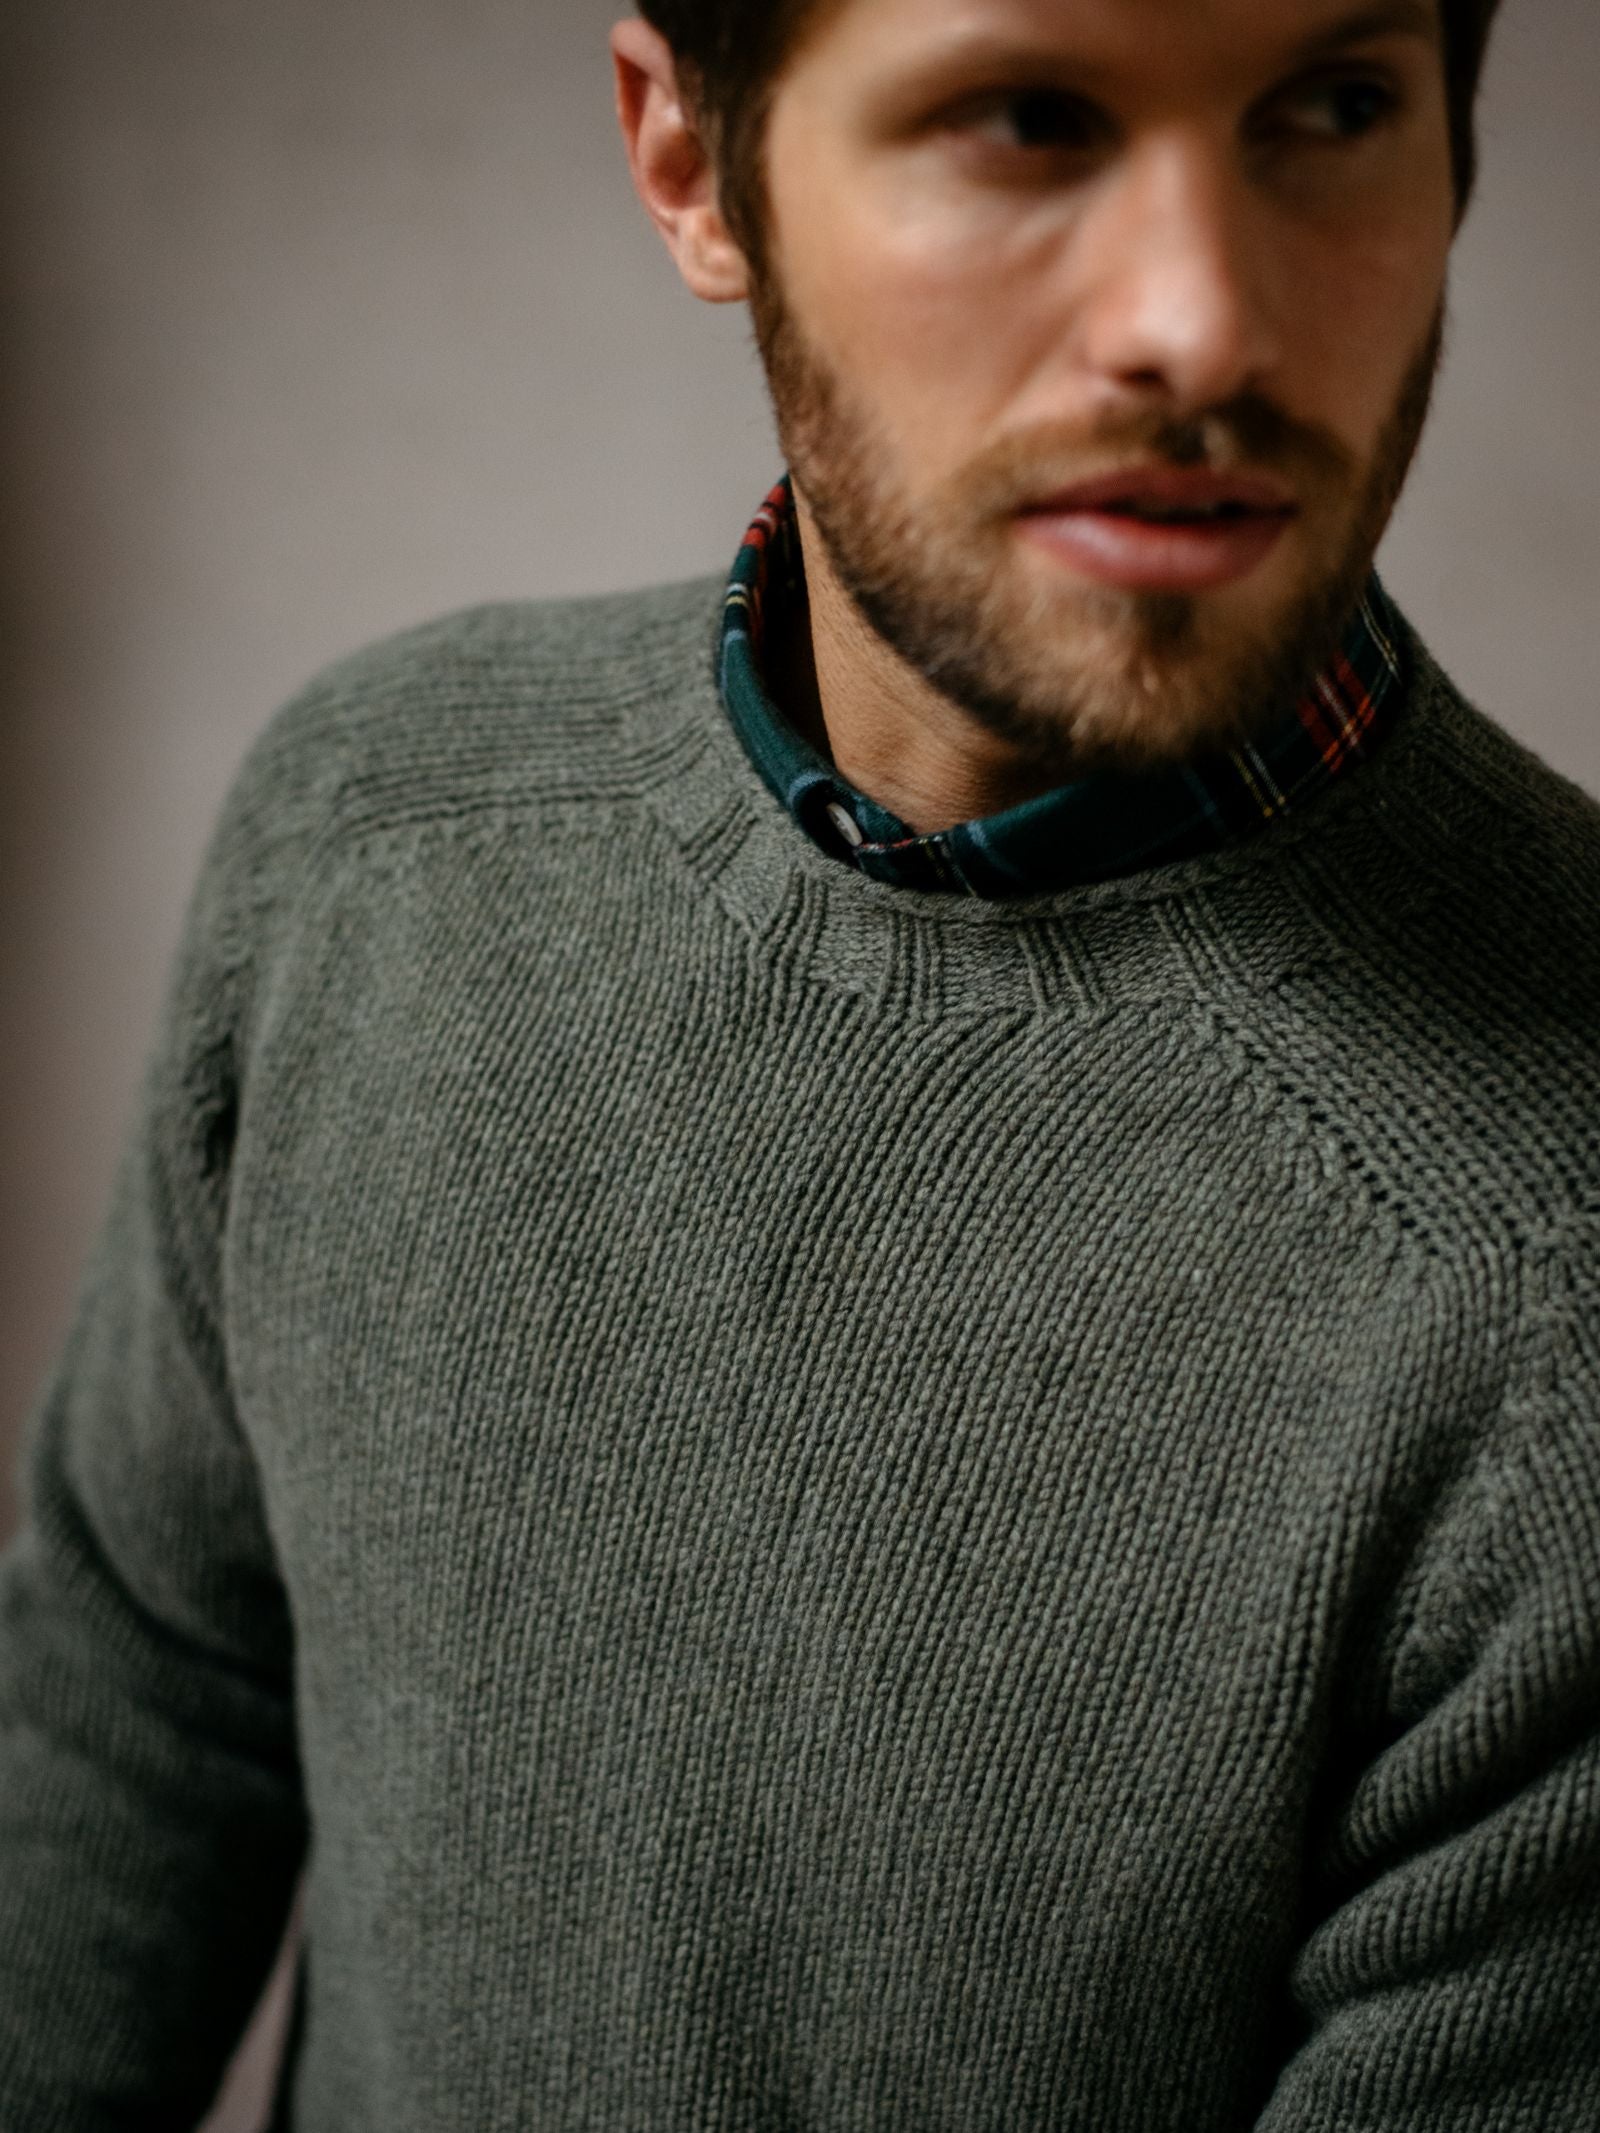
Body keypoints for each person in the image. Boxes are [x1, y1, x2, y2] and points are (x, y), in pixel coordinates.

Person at [1, 0, 1595, 2125]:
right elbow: (130, 1709)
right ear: (691, 157)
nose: (1202, 320)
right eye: (1026, 118)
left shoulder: (1557, 1272)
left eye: (1329, 106)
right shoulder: (372, 829)